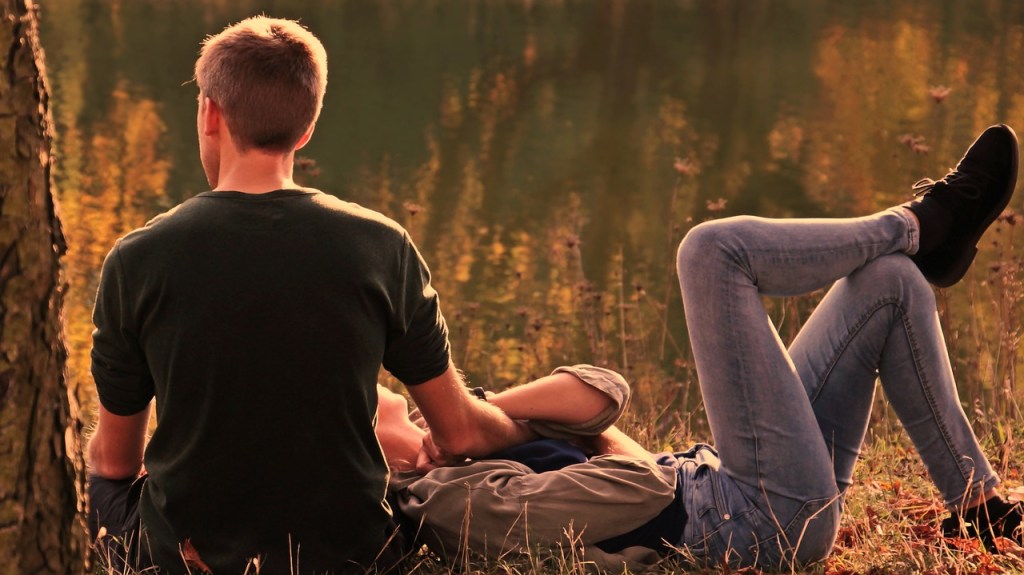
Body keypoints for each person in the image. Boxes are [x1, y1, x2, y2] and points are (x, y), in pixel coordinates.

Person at [383, 125, 1024, 570]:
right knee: (710, 252)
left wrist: (478, 420)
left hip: (742, 485)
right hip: (758, 520)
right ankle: (920, 224)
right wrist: (501, 436)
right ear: (375, 455)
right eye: (370, 408)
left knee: (889, 282)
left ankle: (976, 504)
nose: (385, 394)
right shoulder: (444, 502)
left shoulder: (463, 442)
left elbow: (602, 394)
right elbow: (637, 491)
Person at [85, 16, 534, 574]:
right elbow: (460, 432)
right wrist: (522, 429)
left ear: (209, 113)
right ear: (306, 130)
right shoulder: (381, 244)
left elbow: (116, 461)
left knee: (100, 481)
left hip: (185, 558)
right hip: (356, 556)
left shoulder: (138, 258)